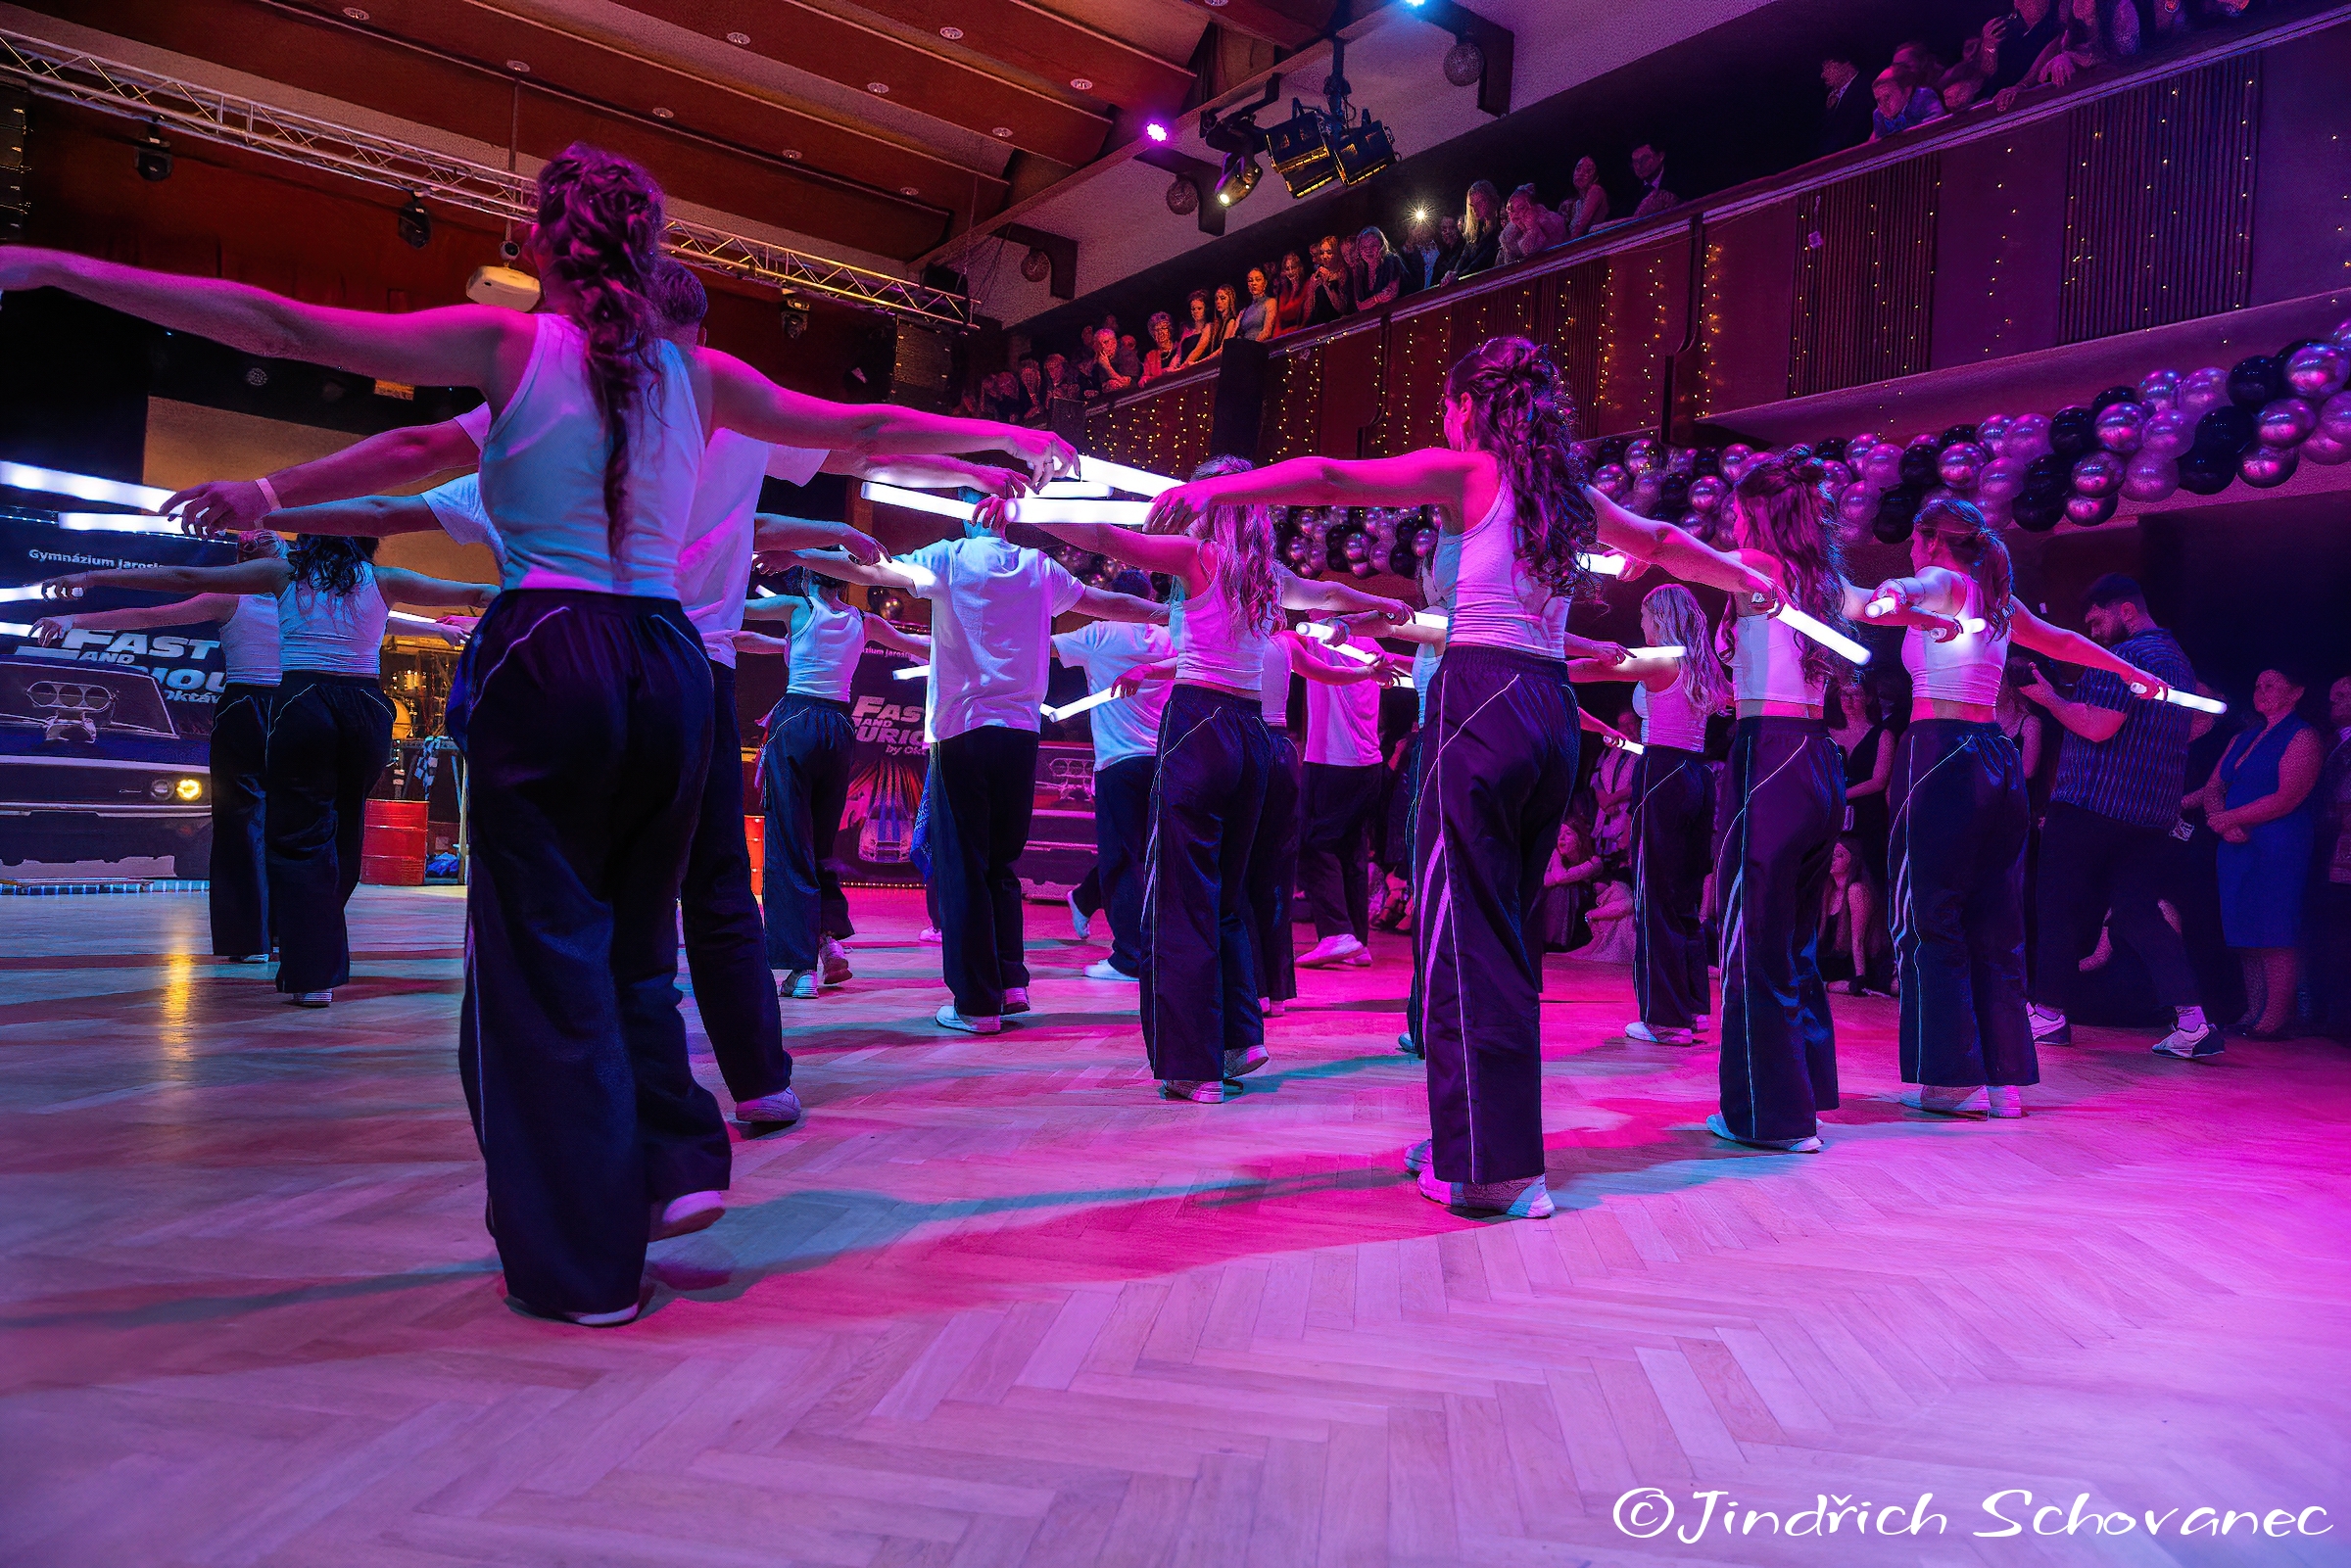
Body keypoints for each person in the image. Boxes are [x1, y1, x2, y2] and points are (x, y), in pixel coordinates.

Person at [2, 143, 1082, 1325]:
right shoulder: (700, 374)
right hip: (670, 664)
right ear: (649, 248)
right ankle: (669, 1161)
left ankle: (582, 1266)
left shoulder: (510, 344)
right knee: (636, 941)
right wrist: (995, 440)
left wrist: (57, 267)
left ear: (540, 243)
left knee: (540, 958)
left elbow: (281, 325)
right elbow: (862, 427)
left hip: (550, 650)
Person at [164, 260, 1015, 1128]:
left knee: (575, 897)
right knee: (712, 886)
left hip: (573, 662)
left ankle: (588, 1108)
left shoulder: (565, 393)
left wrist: (267, 498)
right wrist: (981, 456)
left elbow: (399, 467)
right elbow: (861, 438)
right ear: (702, 335)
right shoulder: (722, 395)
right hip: (690, 669)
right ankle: (751, 1082)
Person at [1148, 336, 1770, 1216]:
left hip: (1483, 700)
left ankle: (1490, 1168)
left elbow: (1331, 477)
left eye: (1447, 404)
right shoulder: (1567, 495)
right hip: (1549, 712)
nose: (1443, 419)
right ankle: (1474, 1139)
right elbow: (1665, 540)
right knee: (1503, 935)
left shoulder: (1474, 473)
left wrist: (1217, 490)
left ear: (1471, 405)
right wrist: (1743, 577)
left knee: (1461, 936)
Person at [43, 534, 492, 1005]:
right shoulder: (370, 579)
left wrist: (89, 577)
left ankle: (309, 961)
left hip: (303, 700)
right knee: (311, 829)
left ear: (303, 542)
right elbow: (480, 593)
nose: (256, 536)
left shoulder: (290, 575)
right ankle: (279, 938)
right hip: (353, 707)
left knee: (302, 837)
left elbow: (182, 576)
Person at [795, 509, 1163, 1033]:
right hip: (1020, 732)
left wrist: (798, 552)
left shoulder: (950, 557)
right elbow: (1107, 602)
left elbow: (869, 568)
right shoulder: (1039, 566)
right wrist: (1172, 612)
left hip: (963, 729)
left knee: (964, 866)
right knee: (1000, 864)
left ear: (968, 509)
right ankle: (1010, 984)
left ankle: (975, 1004)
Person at [1869, 499, 2173, 1116]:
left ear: (1932, 540)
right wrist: (2128, 671)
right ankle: (2000, 1080)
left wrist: (1893, 594)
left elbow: (1914, 589)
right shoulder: (1996, 601)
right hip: (1994, 758)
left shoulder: (1943, 580)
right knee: (1993, 918)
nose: (1912, 550)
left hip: (1941, 753)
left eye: (1916, 540)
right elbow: (2063, 641)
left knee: (1931, 913)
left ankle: (1951, 1080)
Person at [32, 530, 288, 961]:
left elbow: (384, 616)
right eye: (253, 541)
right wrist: (74, 620)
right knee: (246, 819)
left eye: (267, 538)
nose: (260, 540)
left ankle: (279, 932)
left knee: (285, 820)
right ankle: (256, 937)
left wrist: (430, 625)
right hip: (256, 702)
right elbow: (152, 616)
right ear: (245, 559)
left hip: (288, 703)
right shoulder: (233, 597)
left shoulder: (305, 596)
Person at [2018, 574, 2212, 1060]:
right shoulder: (2177, 659)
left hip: (2092, 804)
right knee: (2135, 911)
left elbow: (2097, 726)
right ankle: (2193, 1022)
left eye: (2097, 620)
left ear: (2126, 611)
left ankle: (2048, 1014)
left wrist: (2050, 700)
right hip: (2151, 813)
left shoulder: (2122, 657)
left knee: (2058, 906)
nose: (2093, 631)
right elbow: (2202, 719)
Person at [737, 566, 931, 1000]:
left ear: (807, 577)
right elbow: (919, 645)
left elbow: (737, 611)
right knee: (820, 847)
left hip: (798, 722)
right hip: (840, 729)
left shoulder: (798, 608)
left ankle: (800, 967)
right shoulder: (864, 621)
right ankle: (828, 941)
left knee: (790, 847)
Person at [1570, 583, 1725, 1045]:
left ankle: (1665, 1019)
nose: (1640, 624)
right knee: (1683, 896)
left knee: (1654, 894)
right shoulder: (1703, 664)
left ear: (1659, 617)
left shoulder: (1662, 659)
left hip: (1663, 772)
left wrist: (1544, 660)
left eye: (1643, 615)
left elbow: (1590, 671)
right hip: (1696, 774)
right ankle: (1690, 1007)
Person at [1048, 570, 1174, 983]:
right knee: (1143, 856)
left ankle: (1128, 958)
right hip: (1161, 762)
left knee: (1123, 857)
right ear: (1149, 596)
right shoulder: (1168, 638)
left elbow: (1046, 648)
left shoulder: (1100, 634)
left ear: (1111, 599)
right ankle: (1086, 899)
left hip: (1118, 762)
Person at [2201, 669, 2321, 1038]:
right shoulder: (2244, 736)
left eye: (2271, 685)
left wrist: (2229, 818)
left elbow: (2287, 796)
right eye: (2257, 685)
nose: (2261, 691)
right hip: (2236, 843)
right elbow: (2213, 787)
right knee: (2244, 932)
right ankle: (2253, 1010)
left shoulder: (2302, 736)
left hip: (2277, 844)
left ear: (2296, 692)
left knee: (2274, 929)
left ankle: (2275, 1016)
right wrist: (2222, 821)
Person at [1295, 621, 1387, 968]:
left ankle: (1336, 933)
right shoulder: (1371, 643)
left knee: (1315, 845)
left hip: (1332, 761)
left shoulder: (1321, 637)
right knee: (1352, 852)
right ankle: (1357, 941)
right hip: (1368, 763)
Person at [1818, 835, 1889, 996]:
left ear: (1853, 860)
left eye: (1839, 855)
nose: (1832, 859)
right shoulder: (1829, 891)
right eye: (1830, 854)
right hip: (1832, 960)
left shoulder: (1856, 890)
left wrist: (1860, 978)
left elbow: (1858, 940)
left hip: (1853, 962)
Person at [1442, 182, 1502, 284]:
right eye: (1472, 206)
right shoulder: (1477, 231)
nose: (1475, 210)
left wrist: (1458, 277)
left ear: (1491, 199)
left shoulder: (1499, 230)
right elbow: (1465, 257)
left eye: (1480, 203)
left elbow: (1480, 263)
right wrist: (1453, 273)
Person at [1817, 56, 1875, 156]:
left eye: (1828, 68)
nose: (1823, 75)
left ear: (1846, 65)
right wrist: (1830, 110)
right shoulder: (1834, 96)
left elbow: (1856, 130)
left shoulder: (1864, 88)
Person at [1870, 68, 1946, 140]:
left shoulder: (1924, 96)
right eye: (1879, 100)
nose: (1883, 105)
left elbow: (1935, 129)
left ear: (1907, 91)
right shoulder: (1878, 115)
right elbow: (1880, 146)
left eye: (1887, 97)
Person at [1498, 185, 1564, 265]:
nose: (1515, 215)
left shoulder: (1552, 224)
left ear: (1533, 208)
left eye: (1521, 208)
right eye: (1511, 211)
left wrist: (1531, 229)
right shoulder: (1508, 236)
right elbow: (1509, 265)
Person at [1352, 228, 1406, 311]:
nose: (1368, 250)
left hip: (1402, 311)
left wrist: (1371, 301)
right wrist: (1377, 298)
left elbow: (1390, 294)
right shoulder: (1360, 270)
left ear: (1381, 245)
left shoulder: (1392, 260)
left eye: (1373, 245)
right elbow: (1360, 305)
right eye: (1364, 247)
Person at [1304, 237, 1354, 327]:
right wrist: (1311, 289)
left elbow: (1342, 309)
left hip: (1338, 325)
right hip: (1319, 326)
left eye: (1329, 253)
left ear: (1337, 253)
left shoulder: (1344, 273)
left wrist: (1326, 284)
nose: (1324, 256)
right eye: (1322, 253)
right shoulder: (1317, 275)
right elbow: (1307, 313)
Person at [1561, 157, 1610, 240]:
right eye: (1578, 169)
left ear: (1596, 176)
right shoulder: (1576, 203)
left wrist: (1568, 246)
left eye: (1588, 170)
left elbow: (1580, 227)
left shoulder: (1596, 190)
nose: (1581, 173)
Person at [1629, 145, 1679, 218]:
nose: (1639, 166)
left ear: (1661, 156)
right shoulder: (1630, 189)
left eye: (1644, 159)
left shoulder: (1678, 182)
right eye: (1635, 162)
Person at [1271, 252, 1312, 335]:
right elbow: (1278, 318)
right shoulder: (1284, 291)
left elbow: (1304, 317)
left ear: (1299, 268)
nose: (1290, 272)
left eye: (1293, 267)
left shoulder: (1308, 285)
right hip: (1283, 335)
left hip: (1300, 333)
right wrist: (1277, 337)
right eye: (1287, 269)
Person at [1138, 312, 1183, 384]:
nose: (1160, 332)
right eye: (1157, 330)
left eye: (1163, 328)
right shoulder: (1150, 356)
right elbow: (1145, 378)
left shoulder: (1180, 347)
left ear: (1169, 330)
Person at [1236, 267, 1277, 344]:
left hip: (1259, 345)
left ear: (1265, 283)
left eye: (1258, 280)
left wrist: (1253, 346)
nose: (1253, 283)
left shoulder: (1270, 302)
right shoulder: (1244, 310)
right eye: (1250, 280)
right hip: (1243, 346)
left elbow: (1267, 332)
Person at [1176, 290, 1218, 365]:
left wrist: (1183, 367)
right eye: (1193, 309)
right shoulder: (1187, 329)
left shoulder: (1209, 326)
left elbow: (1199, 348)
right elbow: (1179, 355)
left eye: (1199, 308)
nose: (1195, 311)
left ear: (1206, 309)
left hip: (1198, 368)